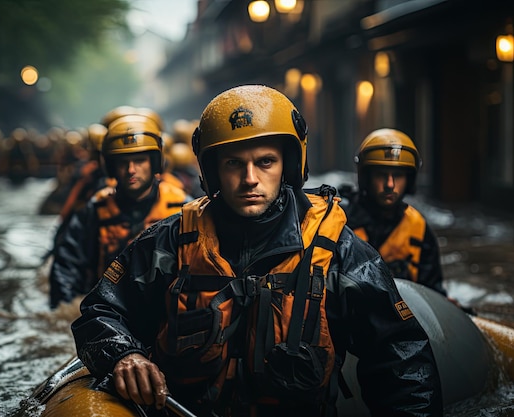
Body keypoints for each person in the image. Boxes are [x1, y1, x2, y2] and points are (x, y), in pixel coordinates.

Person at [71, 85, 443, 417]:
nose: (250, 179)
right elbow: (99, 311)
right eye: (234, 163)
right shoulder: (169, 241)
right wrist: (124, 354)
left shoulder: (339, 252)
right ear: (213, 170)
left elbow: (400, 356)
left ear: (288, 166)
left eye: (265, 162)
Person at [48, 113, 192, 310]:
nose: (131, 169)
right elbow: (66, 269)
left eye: (140, 160)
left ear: (155, 163)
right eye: (123, 162)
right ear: (111, 167)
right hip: (109, 310)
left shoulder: (183, 208)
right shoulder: (95, 210)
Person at [339, 128, 447, 296]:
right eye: (381, 175)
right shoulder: (339, 220)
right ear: (366, 177)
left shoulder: (419, 229)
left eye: (397, 175)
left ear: (409, 180)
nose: (389, 184)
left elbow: (433, 291)